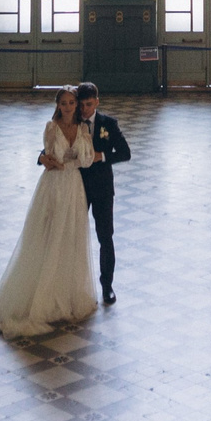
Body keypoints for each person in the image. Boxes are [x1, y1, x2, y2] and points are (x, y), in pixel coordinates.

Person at [0, 90, 99, 336]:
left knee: (71, 235)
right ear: (58, 105)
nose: (69, 107)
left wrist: (67, 161)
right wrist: (52, 160)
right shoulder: (51, 127)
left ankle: (65, 292)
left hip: (74, 185)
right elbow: (50, 158)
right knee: (47, 233)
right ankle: (40, 294)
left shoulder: (84, 129)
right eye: (64, 103)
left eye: (72, 103)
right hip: (53, 186)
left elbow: (87, 159)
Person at [74, 83, 131, 306]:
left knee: (105, 236)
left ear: (97, 102)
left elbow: (125, 153)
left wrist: (103, 156)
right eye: (81, 105)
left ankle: (107, 286)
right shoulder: (72, 122)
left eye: (89, 105)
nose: (85, 110)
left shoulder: (109, 124)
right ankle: (74, 285)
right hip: (76, 185)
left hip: (102, 188)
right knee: (73, 235)